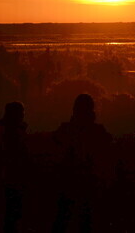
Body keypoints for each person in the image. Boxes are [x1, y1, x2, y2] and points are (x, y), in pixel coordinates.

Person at [51, 94, 113, 233]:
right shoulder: (98, 132)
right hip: (84, 181)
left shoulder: (66, 129)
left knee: (65, 219)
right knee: (84, 220)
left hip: (72, 180)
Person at [0, 102, 28, 233]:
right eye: (21, 113)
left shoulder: (7, 131)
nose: (23, 115)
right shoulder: (13, 133)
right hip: (14, 176)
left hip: (9, 175)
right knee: (13, 212)